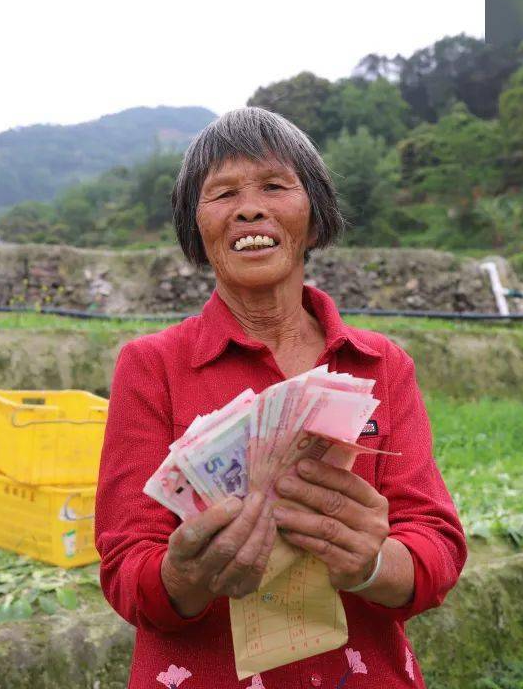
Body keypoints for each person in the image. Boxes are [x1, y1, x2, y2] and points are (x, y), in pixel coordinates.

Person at [94, 107, 466, 688]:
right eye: (222, 193)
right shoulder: (151, 366)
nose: (249, 207)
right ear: (197, 229)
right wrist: (186, 574)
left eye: (274, 185)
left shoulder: (380, 365)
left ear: (314, 220)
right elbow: (125, 568)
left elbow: (435, 546)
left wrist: (370, 564)